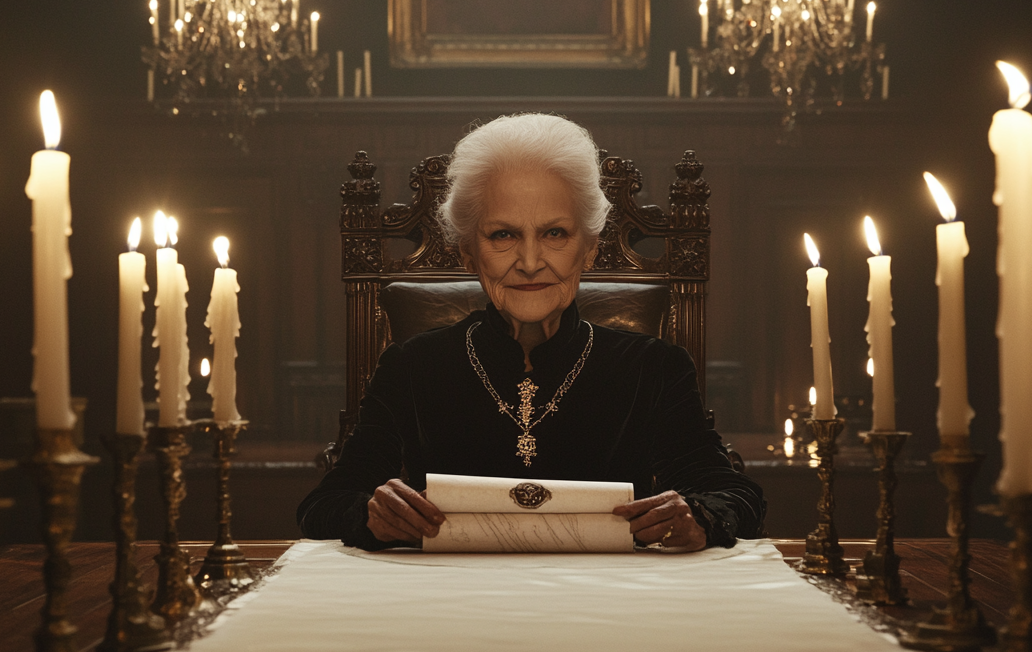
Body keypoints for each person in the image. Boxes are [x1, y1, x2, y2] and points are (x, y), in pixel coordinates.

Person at [298, 113, 764, 552]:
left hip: (611, 605)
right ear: (468, 254)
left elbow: (736, 498)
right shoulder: (412, 366)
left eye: (555, 233)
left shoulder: (654, 368)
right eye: (502, 235)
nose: (529, 261)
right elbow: (323, 507)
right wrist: (371, 514)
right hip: (451, 604)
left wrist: (699, 515)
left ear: (589, 250)